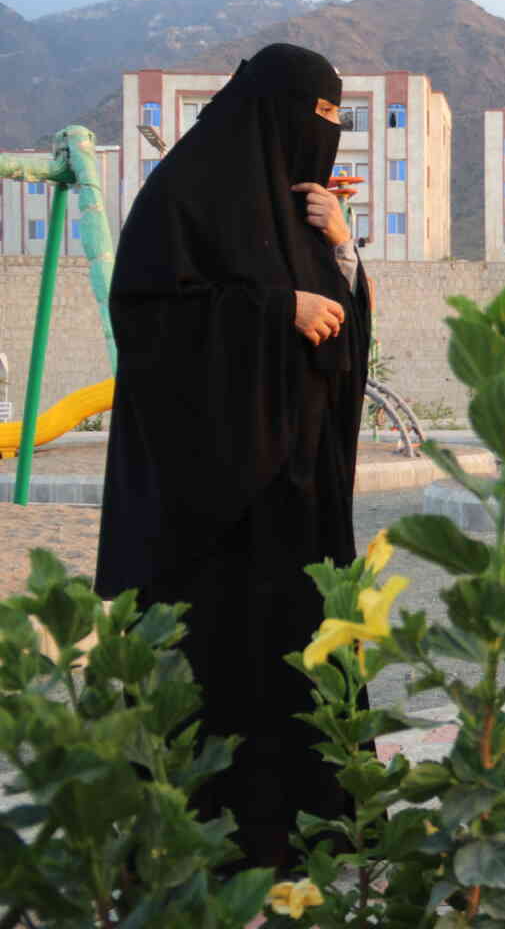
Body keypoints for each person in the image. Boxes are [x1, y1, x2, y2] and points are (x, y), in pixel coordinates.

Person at [95, 43, 370, 870]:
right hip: (207, 512)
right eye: (313, 118)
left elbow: (342, 335)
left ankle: (305, 832)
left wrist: (344, 249)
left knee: (295, 661)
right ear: (267, 111)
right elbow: (148, 318)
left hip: (297, 494)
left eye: (337, 122)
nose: (322, 137)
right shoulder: (183, 195)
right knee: (212, 670)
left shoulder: (307, 211)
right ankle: (196, 840)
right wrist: (276, 312)